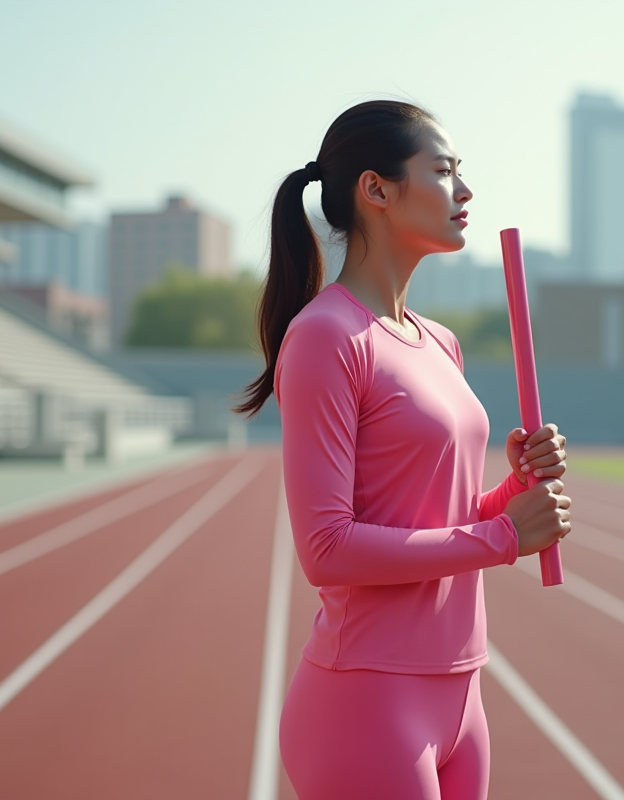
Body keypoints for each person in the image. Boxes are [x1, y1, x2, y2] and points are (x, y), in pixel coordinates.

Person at [236, 100, 571, 800]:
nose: (465, 192)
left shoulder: (440, 341)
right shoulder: (328, 336)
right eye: (444, 172)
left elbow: (425, 516)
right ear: (376, 189)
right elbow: (327, 548)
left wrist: (511, 493)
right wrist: (504, 537)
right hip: (368, 699)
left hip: (461, 689)